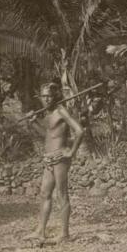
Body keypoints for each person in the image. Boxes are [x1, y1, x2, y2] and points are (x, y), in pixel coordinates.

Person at [24, 82, 84, 243]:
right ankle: (40, 231)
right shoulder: (48, 114)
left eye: (49, 96)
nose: (46, 99)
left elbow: (79, 131)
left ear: (56, 96)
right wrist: (33, 122)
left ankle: (64, 234)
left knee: (61, 195)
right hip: (48, 157)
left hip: (60, 157)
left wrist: (71, 152)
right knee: (45, 194)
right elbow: (48, 135)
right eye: (43, 96)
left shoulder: (61, 111)